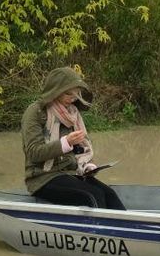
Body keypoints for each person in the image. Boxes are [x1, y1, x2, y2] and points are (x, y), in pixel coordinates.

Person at [21, 67, 125, 209]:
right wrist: (66, 142)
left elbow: (79, 150)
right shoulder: (35, 112)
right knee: (93, 196)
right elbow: (34, 152)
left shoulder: (72, 114)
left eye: (76, 93)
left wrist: (88, 165)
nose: (73, 98)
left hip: (72, 174)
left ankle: (127, 230)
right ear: (55, 91)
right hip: (42, 179)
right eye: (68, 93)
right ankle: (94, 231)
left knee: (109, 194)